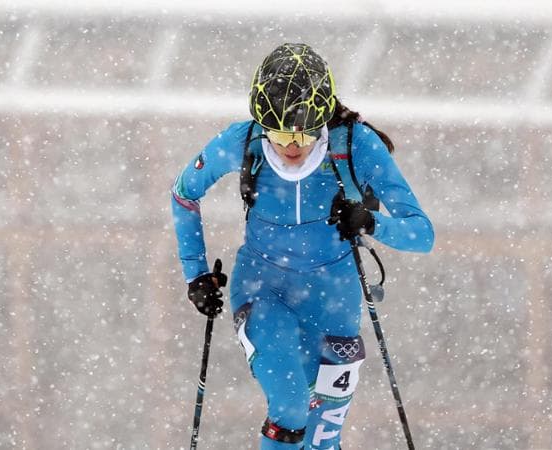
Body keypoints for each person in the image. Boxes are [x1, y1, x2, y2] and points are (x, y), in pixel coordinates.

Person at [171, 43, 434, 450]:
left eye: (304, 134)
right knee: (291, 406)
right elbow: (184, 194)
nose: (292, 147)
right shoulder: (242, 142)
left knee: (322, 439)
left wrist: (370, 222)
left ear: (322, 121)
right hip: (263, 289)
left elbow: (422, 234)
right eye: (278, 135)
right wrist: (197, 275)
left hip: (334, 300)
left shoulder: (356, 145)